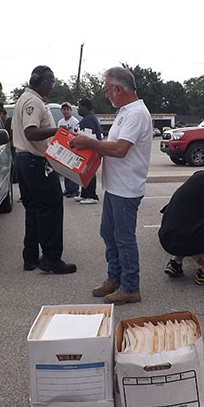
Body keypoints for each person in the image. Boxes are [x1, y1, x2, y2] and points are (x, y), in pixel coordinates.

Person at [68, 67, 152, 304]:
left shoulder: (136, 113)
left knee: (124, 238)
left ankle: (130, 286)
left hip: (127, 188)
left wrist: (90, 143)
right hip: (116, 186)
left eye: (107, 90)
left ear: (118, 88)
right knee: (109, 233)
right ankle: (114, 279)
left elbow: (119, 149)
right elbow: (113, 145)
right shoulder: (126, 112)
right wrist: (91, 149)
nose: (106, 95)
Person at [12, 66, 76, 274]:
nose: (52, 86)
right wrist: (57, 130)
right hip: (35, 163)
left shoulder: (25, 98)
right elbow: (30, 132)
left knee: (33, 209)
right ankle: (51, 259)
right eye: (50, 82)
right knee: (51, 208)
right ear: (36, 80)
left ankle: (30, 257)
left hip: (24, 162)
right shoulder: (33, 102)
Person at [75, 98, 102, 205]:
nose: (78, 109)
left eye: (79, 106)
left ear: (85, 107)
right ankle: (84, 194)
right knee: (84, 172)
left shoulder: (89, 119)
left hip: (91, 151)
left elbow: (87, 137)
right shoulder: (88, 118)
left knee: (89, 172)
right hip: (90, 150)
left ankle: (92, 195)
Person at [57, 102, 80, 198]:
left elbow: (77, 134)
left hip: (72, 148)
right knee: (65, 169)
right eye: (64, 109)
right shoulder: (60, 122)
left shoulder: (74, 122)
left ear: (71, 110)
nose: (65, 111)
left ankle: (75, 190)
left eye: (67, 109)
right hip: (64, 148)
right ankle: (68, 189)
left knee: (73, 170)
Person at [0, 104, 17, 183]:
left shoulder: (10, 122)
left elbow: (14, 138)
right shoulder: (2, 124)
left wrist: (7, 145)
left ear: (1, 114)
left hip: (13, 149)